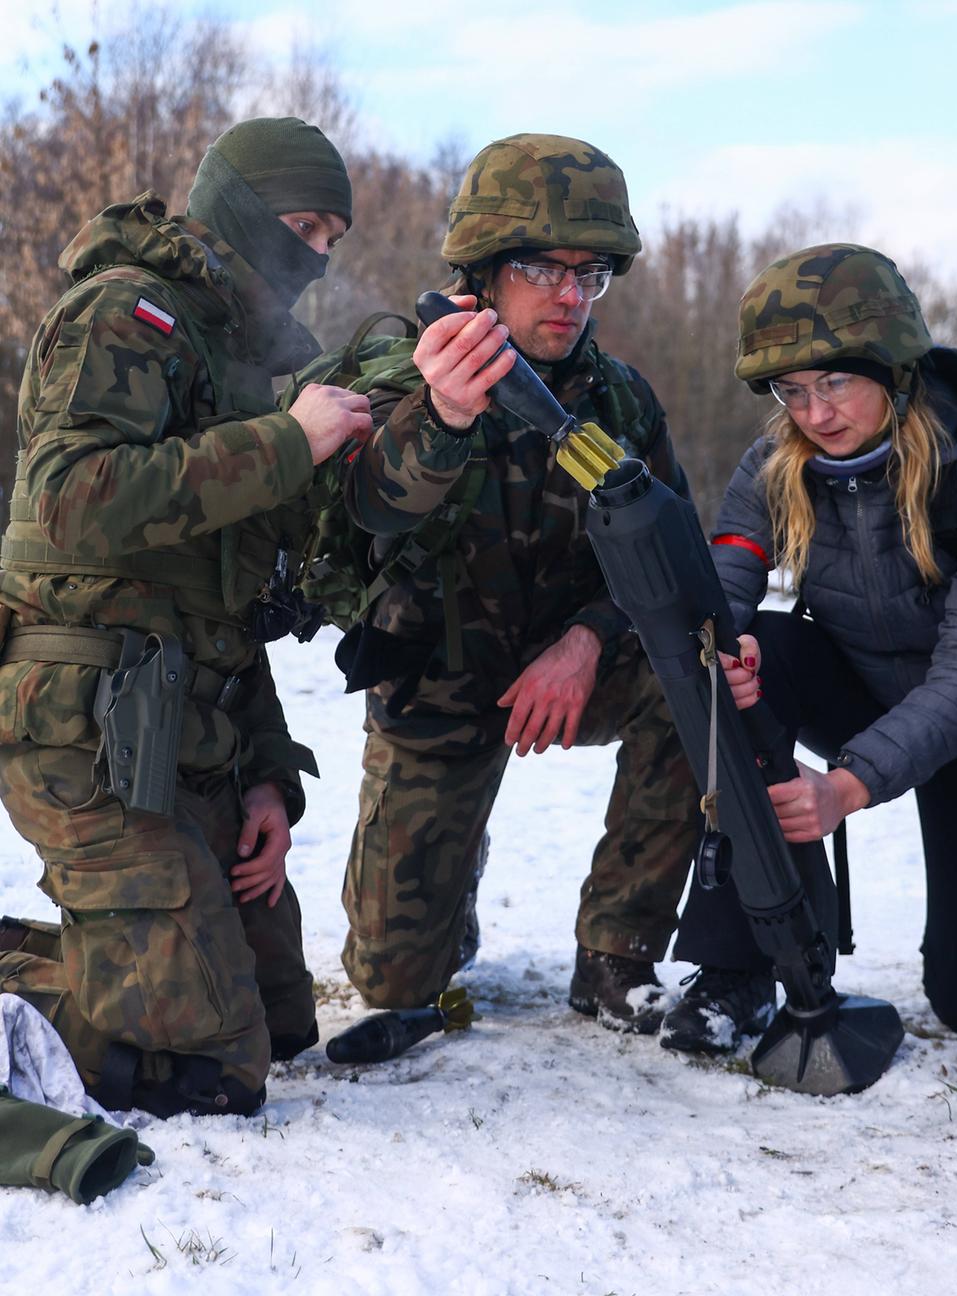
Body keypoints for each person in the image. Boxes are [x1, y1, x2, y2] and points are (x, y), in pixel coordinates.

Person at [0, 117, 372, 1117]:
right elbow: (72, 497)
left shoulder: (236, 364)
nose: (315, 258)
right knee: (209, 1067)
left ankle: (120, 958)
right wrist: (287, 445)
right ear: (241, 209)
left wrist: (265, 778)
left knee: (281, 1023)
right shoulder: (129, 310)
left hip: (178, 729)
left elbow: (223, 613)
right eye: (303, 227)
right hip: (81, 727)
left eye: (332, 240)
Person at [333, 133, 698, 1043]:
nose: (571, 295)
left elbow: (674, 556)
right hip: (439, 686)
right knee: (391, 978)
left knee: (697, 677)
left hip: (576, 670)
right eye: (543, 269)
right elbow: (371, 507)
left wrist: (589, 638)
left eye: (591, 273)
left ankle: (617, 950)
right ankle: (450, 868)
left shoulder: (621, 402)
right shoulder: (404, 375)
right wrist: (444, 414)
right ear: (486, 270)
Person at [660, 242, 957, 1054]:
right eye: (794, 390)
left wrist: (847, 786)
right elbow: (722, 583)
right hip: (857, 691)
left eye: (837, 382)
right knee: (759, 647)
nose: (815, 414)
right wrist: (723, 650)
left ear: (895, 369)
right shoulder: (775, 464)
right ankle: (738, 968)